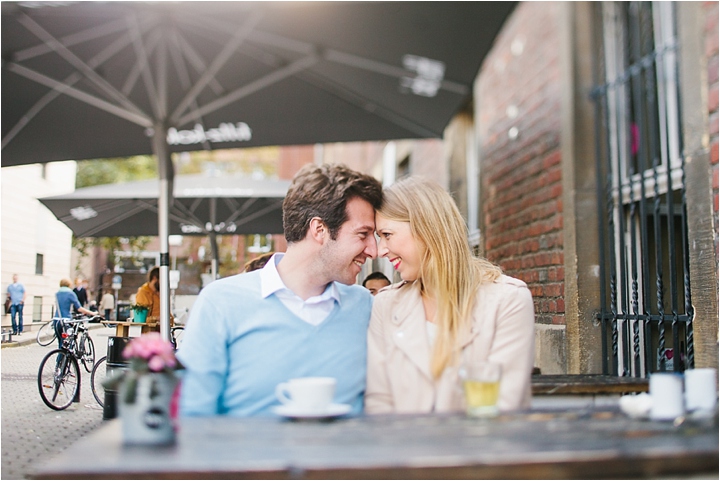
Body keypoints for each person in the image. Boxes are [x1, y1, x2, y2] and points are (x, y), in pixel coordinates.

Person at [178, 163, 383, 417]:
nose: (374, 250)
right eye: (363, 234)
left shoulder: (366, 306)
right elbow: (191, 417)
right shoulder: (221, 303)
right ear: (319, 230)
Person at [366, 177, 535, 414]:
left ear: (425, 227)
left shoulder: (508, 301)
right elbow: (379, 403)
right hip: (402, 448)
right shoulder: (385, 304)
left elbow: (503, 406)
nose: (380, 250)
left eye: (387, 234)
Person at [54, 278, 96, 348]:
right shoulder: (70, 293)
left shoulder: (57, 293)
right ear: (69, 285)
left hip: (56, 320)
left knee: (61, 343)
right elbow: (79, 308)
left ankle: (61, 357)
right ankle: (61, 359)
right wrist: (92, 313)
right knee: (68, 344)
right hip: (66, 320)